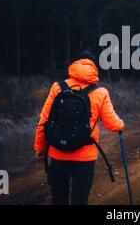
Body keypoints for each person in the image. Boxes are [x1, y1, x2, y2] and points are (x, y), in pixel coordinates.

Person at [34, 55, 124, 205]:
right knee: (80, 199)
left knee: (59, 198)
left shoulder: (57, 87)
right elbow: (112, 124)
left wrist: (40, 148)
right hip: (85, 156)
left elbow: (44, 120)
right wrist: (121, 124)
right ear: (94, 71)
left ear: (73, 68)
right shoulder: (101, 92)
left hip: (58, 152)